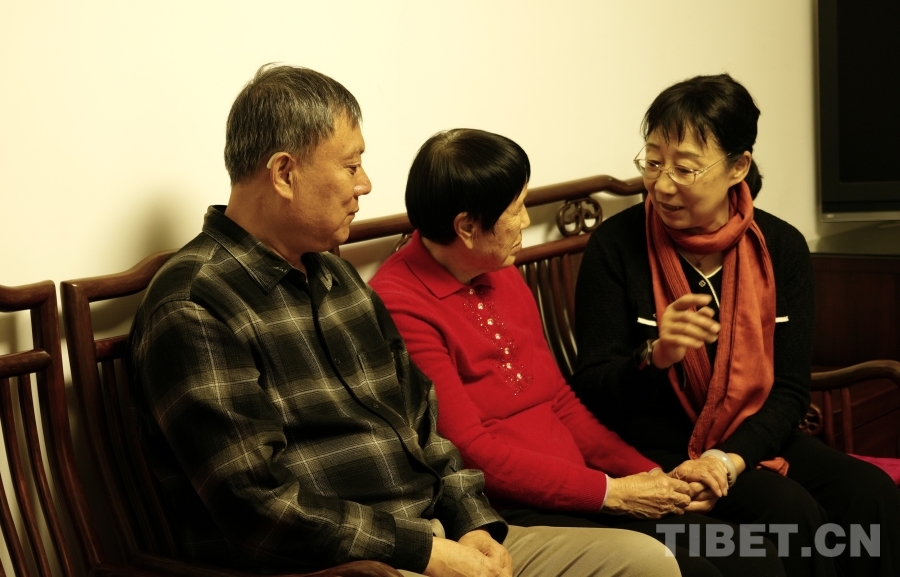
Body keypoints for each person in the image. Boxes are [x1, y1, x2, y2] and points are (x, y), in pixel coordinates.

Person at [126, 65, 680, 577]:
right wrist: (427, 551)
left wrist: (473, 523)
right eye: (351, 165)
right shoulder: (195, 305)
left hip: (439, 535)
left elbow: (425, 425)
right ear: (285, 173)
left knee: (646, 562)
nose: (365, 184)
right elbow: (257, 502)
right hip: (347, 566)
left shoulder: (336, 278)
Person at [369, 128, 785, 577]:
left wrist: (650, 475)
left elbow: (561, 402)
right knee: (698, 568)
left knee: (751, 555)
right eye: (516, 209)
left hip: (584, 486)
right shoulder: (400, 303)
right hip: (513, 508)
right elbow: (471, 452)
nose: (526, 221)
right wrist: (613, 493)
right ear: (467, 227)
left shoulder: (496, 266)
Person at [571, 73, 900, 577]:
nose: (662, 185)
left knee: (871, 496)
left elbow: (789, 390)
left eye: (684, 168)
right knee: (791, 515)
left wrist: (727, 460)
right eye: (653, 162)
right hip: (656, 448)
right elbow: (591, 391)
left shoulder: (780, 247)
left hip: (751, 435)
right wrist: (655, 356)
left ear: (737, 166)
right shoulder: (616, 247)